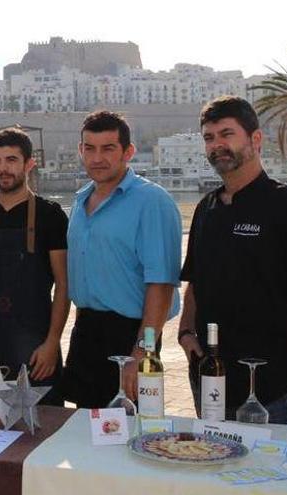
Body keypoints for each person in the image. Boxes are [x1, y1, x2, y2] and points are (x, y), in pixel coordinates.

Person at [178, 96, 287, 424]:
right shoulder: (206, 210)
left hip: (270, 391)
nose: (217, 145)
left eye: (227, 134)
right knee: (207, 470)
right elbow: (196, 280)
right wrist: (185, 334)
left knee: (273, 475)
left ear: (255, 139)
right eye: (209, 138)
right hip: (210, 383)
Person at [62, 111, 182, 408]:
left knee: (128, 439)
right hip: (86, 333)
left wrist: (143, 352)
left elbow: (162, 283)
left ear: (128, 152)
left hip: (130, 336)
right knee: (86, 436)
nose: (97, 158)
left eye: (108, 148)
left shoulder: (152, 202)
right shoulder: (80, 202)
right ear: (81, 151)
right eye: (89, 148)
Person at [0, 127, 69, 405]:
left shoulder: (51, 216)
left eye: (11, 159)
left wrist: (51, 343)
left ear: (29, 163)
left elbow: (63, 285)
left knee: (44, 430)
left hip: (36, 347)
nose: (3, 168)